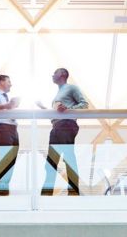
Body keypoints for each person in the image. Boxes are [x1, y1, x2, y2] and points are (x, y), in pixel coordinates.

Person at [36, 68, 88, 196]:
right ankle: (46, 194)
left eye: (55, 73)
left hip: (66, 125)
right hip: (56, 127)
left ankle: (73, 192)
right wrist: (43, 108)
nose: (52, 75)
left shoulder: (71, 88)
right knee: (51, 162)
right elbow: (57, 113)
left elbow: (84, 104)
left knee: (68, 158)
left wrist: (68, 109)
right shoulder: (57, 94)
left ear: (63, 74)